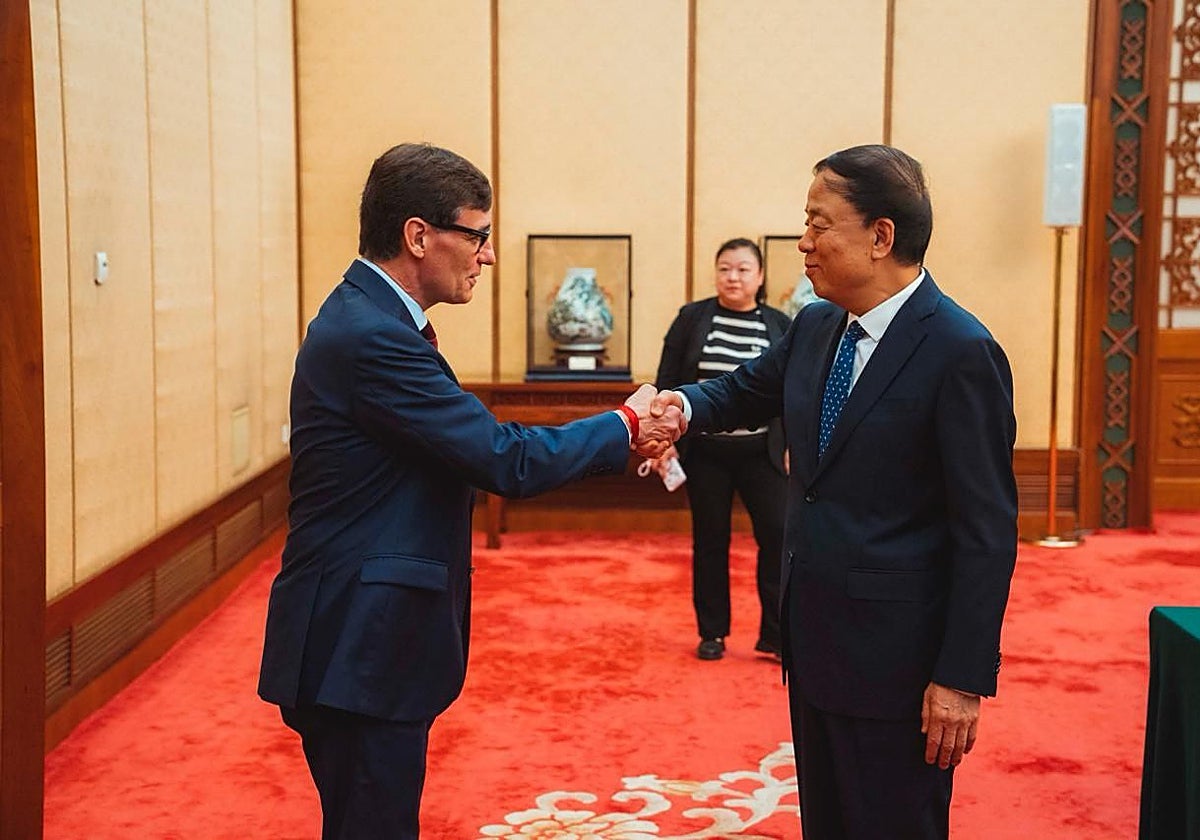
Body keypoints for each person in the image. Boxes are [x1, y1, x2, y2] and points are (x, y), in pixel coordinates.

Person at [257, 143, 684, 840]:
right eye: (478, 234)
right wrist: (627, 421)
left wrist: (618, 436)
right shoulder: (372, 335)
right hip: (356, 645)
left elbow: (465, 449)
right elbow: (502, 459)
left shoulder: (372, 317)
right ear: (418, 236)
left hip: (360, 636)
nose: (487, 256)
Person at [651, 144, 1018, 839]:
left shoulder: (961, 350)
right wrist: (675, 408)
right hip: (815, 647)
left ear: (881, 237)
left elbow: (986, 531)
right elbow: (740, 390)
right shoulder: (819, 325)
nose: (803, 242)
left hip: (901, 669)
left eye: (820, 224)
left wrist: (962, 678)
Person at [652, 238, 790, 661]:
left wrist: (796, 445)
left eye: (744, 269)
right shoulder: (693, 318)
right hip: (706, 451)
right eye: (725, 268)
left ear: (761, 276)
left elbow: (792, 392)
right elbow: (668, 380)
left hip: (762, 450)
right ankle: (712, 631)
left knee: (778, 537)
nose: (733, 277)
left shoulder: (781, 325)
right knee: (710, 540)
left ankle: (776, 635)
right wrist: (663, 441)